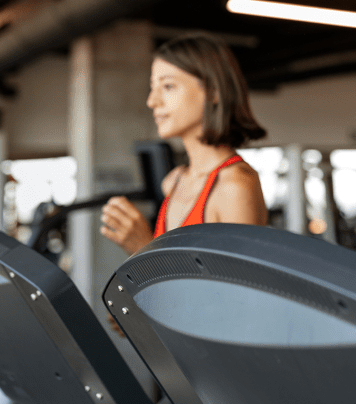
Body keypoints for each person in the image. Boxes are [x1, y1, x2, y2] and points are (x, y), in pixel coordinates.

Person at [101, 32, 268, 256]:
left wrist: (142, 248)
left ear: (213, 92)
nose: (152, 101)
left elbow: (238, 291)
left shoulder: (235, 187)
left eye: (168, 87)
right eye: (153, 87)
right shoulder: (174, 181)